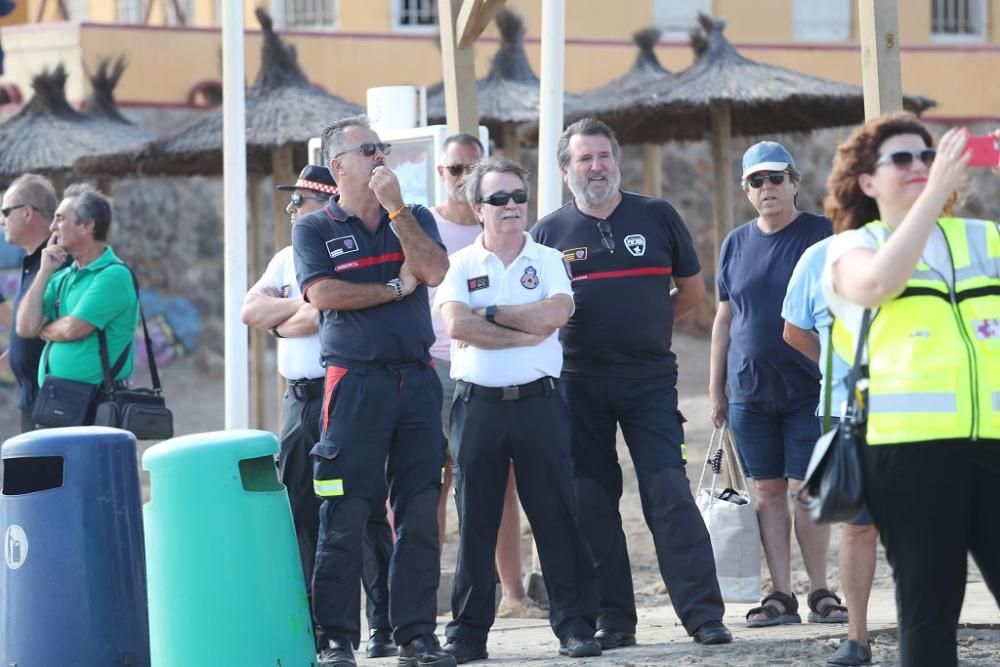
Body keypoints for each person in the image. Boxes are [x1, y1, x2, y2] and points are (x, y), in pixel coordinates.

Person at [532, 118, 732, 648]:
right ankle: (614, 619)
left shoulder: (657, 215)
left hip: (647, 380)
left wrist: (647, 324)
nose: (596, 166)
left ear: (615, 161)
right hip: (577, 383)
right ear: (565, 169)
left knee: (668, 492)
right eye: (584, 158)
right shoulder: (547, 234)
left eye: (603, 156)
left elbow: (690, 292)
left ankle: (703, 616)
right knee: (592, 502)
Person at [821, 113, 1000, 667]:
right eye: (902, 158)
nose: (920, 165)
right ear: (867, 182)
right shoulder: (853, 248)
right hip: (910, 457)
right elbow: (879, 285)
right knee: (929, 612)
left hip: (994, 446)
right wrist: (936, 194)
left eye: (928, 155)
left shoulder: (984, 237)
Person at [292, 115, 455, 667]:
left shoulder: (413, 215)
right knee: (343, 511)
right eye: (369, 150)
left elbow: (433, 270)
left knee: (418, 512)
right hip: (354, 383)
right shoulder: (314, 228)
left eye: (382, 147)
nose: (380, 156)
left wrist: (398, 211)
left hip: (416, 380)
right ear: (339, 166)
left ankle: (415, 635)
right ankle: (336, 638)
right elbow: (322, 294)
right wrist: (390, 287)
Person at [435, 158, 601, 663]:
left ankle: (574, 627)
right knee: (477, 522)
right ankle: (467, 635)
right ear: (477, 208)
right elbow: (457, 326)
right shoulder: (460, 264)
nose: (512, 206)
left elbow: (555, 314)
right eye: (499, 199)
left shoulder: (547, 257)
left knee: (555, 516)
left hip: (539, 405)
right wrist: (521, 329)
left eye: (518, 196)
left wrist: (489, 314)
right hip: (477, 409)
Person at [240, 165, 395, 660]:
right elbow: (251, 311)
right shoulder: (288, 256)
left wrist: (286, 314)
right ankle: (314, 622)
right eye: (291, 201)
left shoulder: (339, 248)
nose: (292, 209)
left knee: (363, 510)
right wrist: (293, 315)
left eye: (301, 200)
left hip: (344, 393)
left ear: (328, 200)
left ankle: (383, 623)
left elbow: (319, 309)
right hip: (299, 401)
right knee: (303, 512)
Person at [708, 141, 842, 628]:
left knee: (807, 490)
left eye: (775, 178)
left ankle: (822, 590)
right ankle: (781, 594)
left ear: (794, 183)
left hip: (810, 387)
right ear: (746, 190)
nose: (767, 188)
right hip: (749, 391)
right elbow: (725, 319)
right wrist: (716, 390)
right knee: (766, 492)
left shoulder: (823, 235)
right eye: (756, 181)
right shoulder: (735, 243)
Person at [429, 133, 545, 620]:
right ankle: (430, 594)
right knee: (436, 480)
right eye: (456, 170)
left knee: (503, 484)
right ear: (442, 174)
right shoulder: (424, 225)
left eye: (472, 169)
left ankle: (514, 595)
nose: (464, 178)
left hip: (494, 367)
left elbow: (544, 306)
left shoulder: (511, 226)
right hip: (436, 364)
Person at [782, 238, 879, 666]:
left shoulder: (930, 241)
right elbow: (794, 329)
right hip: (848, 413)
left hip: (926, 414)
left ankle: (928, 629)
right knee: (858, 526)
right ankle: (856, 638)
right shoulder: (818, 256)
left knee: (929, 529)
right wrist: (833, 368)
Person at [16, 185, 137, 400]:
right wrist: (44, 272)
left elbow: (73, 328)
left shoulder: (114, 276)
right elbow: (25, 328)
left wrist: (42, 330)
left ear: (87, 226)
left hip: (97, 402)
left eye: (60, 219)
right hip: (59, 398)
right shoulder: (62, 277)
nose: (52, 227)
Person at [0, 174, 64, 431]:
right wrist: (14, 352)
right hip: (35, 403)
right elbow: (29, 324)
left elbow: (66, 327)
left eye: (5, 211)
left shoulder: (58, 262)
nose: (1, 220)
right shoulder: (35, 262)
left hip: (56, 405)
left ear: (27, 212)